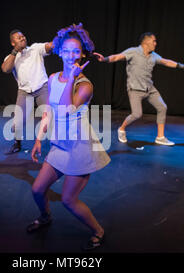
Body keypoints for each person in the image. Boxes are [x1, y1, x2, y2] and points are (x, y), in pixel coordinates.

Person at [28, 23, 111, 251]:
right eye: (66, 50)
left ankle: (99, 231)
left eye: (76, 51)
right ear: (59, 51)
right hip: (59, 145)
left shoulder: (85, 85)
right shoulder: (54, 78)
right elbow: (50, 111)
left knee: (68, 200)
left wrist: (73, 78)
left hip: (78, 147)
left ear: (83, 53)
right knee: (37, 190)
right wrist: (38, 138)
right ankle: (45, 217)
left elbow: (66, 109)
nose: (71, 55)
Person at [94, 32, 184, 145]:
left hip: (149, 89)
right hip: (135, 89)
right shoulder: (133, 51)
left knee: (162, 107)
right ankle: (122, 129)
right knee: (137, 114)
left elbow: (167, 62)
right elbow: (117, 57)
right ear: (146, 41)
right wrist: (105, 59)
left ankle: (160, 137)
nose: (155, 43)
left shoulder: (154, 56)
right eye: (154, 41)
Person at [1, 29, 53, 154]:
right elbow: (5, 69)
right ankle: (17, 144)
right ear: (13, 43)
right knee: (18, 121)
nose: (23, 38)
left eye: (23, 36)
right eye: (19, 38)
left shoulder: (35, 49)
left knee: (50, 116)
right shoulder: (11, 57)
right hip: (24, 91)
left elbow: (50, 46)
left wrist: (62, 38)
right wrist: (15, 52)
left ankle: (56, 145)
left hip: (42, 88)